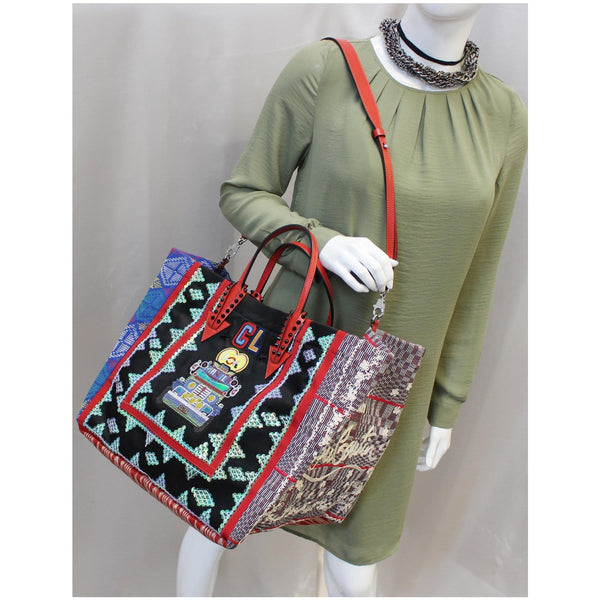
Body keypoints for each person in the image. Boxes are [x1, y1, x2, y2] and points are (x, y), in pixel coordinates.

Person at [177, 3, 527, 596]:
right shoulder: (326, 70)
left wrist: (447, 402)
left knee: (355, 568)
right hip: (287, 354)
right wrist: (323, 244)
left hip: (395, 382)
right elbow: (244, 192)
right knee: (213, 520)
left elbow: (478, 274)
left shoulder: (505, 116)